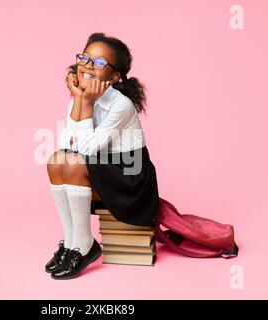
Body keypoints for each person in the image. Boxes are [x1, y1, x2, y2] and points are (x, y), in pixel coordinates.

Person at [45, 32, 159, 280]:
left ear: (115, 76)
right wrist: (79, 99)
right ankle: (71, 242)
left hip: (130, 178)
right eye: (85, 59)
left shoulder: (121, 105)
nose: (87, 66)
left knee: (73, 162)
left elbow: (82, 151)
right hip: (104, 169)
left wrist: (84, 101)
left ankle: (85, 246)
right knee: (55, 160)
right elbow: (67, 147)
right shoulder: (80, 98)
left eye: (98, 63)